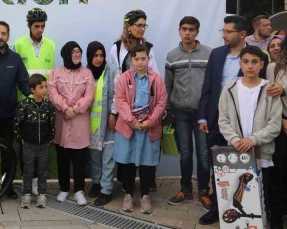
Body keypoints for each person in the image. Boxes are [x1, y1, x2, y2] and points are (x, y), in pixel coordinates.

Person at [197, 15, 266, 225]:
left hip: (245, 121)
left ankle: (246, 212)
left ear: (242, 34)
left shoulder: (254, 57)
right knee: (219, 165)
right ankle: (216, 209)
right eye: (223, 31)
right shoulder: (217, 54)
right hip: (216, 119)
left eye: (228, 32)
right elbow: (208, 86)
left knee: (244, 166)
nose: (224, 35)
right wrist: (203, 116)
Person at [219, 46, 283, 229]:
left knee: (266, 192)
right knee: (240, 194)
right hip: (237, 152)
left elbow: (274, 124)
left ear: (262, 64)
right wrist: (235, 140)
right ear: (240, 64)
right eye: (246, 62)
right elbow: (223, 120)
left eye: (254, 62)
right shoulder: (230, 88)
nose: (250, 66)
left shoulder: (269, 89)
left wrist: (253, 140)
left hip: (261, 152)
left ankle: (269, 227)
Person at [164, 16, 212, 210]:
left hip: (203, 114)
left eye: (191, 29)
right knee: (185, 154)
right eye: (184, 29)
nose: (187, 33)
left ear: (197, 32)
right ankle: (185, 190)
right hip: (180, 113)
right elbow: (167, 85)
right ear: (179, 31)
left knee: (203, 154)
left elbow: (212, 84)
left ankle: (204, 192)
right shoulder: (172, 55)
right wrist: (168, 111)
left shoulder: (209, 53)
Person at [114, 44, 167, 214]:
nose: (140, 62)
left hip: (149, 127)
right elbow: (120, 101)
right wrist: (132, 121)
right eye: (136, 59)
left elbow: (161, 103)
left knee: (147, 163)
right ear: (131, 60)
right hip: (128, 126)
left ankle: (145, 196)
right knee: (128, 162)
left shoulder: (156, 79)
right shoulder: (124, 78)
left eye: (143, 58)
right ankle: (128, 195)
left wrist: (149, 122)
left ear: (148, 59)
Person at [0, 21, 30, 200]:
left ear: (8, 37)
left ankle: (7, 186)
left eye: (3, 33)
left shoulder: (15, 59)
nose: (0, 37)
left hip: (9, 115)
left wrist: (36, 97)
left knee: (7, 152)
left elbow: (24, 83)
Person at [14, 8, 55, 195]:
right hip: (25, 103)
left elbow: (50, 76)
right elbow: (17, 75)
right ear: (29, 26)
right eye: (36, 26)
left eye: (42, 26)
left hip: (43, 104)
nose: (40, 30)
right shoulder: (19, 45)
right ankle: (27, 183)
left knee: (42, 146)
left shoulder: (51, 46)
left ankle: (38, 183)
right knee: (26, 147)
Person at [49, 41, 94, 205]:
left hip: (80, 122)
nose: (76, 54)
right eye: (73, 51)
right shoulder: (56, 72)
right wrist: (64, 108)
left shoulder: (87, 73)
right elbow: (52, 93)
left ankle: (79, 190)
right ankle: (64, 188)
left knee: (80, 159)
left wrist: (74, 109)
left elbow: (89, 96)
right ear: (66, 54)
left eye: (78, 51)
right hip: (61, 121)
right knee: (62, 158)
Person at [85, 41, 119, 207]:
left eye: (101, 55)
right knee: (94, 158)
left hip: (109, 123)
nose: (98, 59)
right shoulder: (85, 73)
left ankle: (106, 190)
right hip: (91, 124)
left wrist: (114, 114)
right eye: (95, 56)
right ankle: (96, 183)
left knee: (108, 158)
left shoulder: (112, 71)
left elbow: (119, 94)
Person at [14, 74, 55, 209]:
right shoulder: (24, 105)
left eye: (45, 87)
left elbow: (52, 123)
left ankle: (42, 194)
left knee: (43, 170)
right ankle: (26, 194)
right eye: (41, 87)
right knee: (28, 170)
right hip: (29, 145)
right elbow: (17, 124)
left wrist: (50, 139)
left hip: (44, 145)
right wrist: (21, 138)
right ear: (32, 90)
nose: (44, 90)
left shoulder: (48, 105)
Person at [265, 39, 287, 229]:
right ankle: (276, 219)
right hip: (282, 126)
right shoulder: (274, 68)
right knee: (278, 173)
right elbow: (269, 100)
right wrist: (280, 120)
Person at [108, 9, 159, 74]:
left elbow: (155, 74)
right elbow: (112, 74)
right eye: (139, 25)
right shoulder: (117, 48)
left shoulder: (148, 48)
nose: (142, 29)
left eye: (144, 26)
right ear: (128, 27)